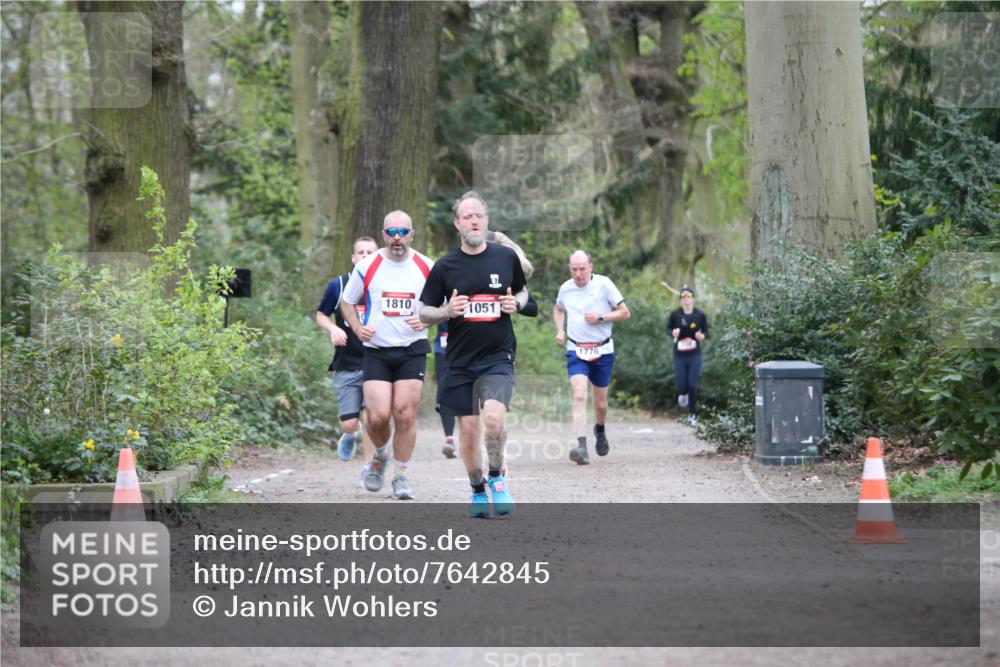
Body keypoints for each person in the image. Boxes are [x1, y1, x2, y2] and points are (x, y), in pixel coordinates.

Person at [419, 192, 529, 518]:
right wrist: (446, 311)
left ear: (487, 220)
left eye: (478, 215)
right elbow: (423, 312)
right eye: (467, 217)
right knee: (468, 432)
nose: (474, 221)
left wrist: (516, 303)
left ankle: (496, 475)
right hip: (459, 361)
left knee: (493, 420)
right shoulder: (445, 266)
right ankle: (478, 489)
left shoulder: (505, 258)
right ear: (457, 224)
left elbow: (523, 291)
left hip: (498, 355)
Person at [340, 211, 433, 500]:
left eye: (402, 232)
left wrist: (428, 319)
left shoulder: (427, 266)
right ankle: (380, 455)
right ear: (383, 234)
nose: (397, 238)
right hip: (377, 351)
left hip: (412, 349)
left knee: (405, 413)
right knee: (377, 416)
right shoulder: (367, 266)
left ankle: (401, 475)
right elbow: (347, 301)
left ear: (411, 234)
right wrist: (357, 327)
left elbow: (445, 306)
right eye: (391, 232)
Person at [553, 250, 630, 465]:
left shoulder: (604, 284)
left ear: (591, 267)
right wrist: (560, 330)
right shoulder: (566, 288)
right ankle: (582, 447)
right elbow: (558, 309)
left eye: (582, 269)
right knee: (579, 395)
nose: (578, 274)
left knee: (600, 404)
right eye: (574, 269)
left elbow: (625, 312)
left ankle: (600, 429)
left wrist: (600, 317)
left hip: (602, 350)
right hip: (576, 349)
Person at [315, 237, 378, 473]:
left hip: (377, 362)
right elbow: (321, 314)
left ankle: (369, 466)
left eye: (370, 252)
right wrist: (333, 329)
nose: (365, 256)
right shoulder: (339, 285)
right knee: (349, 422)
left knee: (373, 417)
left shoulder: (384, 287)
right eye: (361, 252)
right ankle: (352, 434)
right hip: (346, 362)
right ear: (353, 258)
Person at [667, 285, 708, 425]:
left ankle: (693, 415)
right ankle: (682, 394)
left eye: (688, 296)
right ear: (680, 300)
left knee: (692, 384)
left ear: (693, 299)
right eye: (683, 297)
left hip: (694, 354)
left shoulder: (700, 315)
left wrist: (702, 336)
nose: (686, 299)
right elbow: (668, 328)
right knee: (682, 386)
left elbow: (706, 332)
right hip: (679, 355)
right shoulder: (675, 315)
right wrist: (673, 333)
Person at [433, 321, 457, 458]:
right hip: (443, 347)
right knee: (445, 392)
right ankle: (449, 438)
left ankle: (472, 439)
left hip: (468, 346)